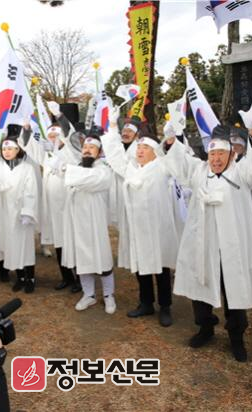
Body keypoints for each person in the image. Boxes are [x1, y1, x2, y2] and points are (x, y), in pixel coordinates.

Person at [162, 100, 252, 362]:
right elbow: (180, 162)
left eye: (221, 154)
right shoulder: (199, 172)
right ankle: (205, 327)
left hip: (232, 247)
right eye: (212, 155)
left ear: (232, 155)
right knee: (201, 287)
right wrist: (173, 137)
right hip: (204, 244)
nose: (216, 159)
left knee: (234, 291)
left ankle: (236, 336)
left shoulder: (242, 173)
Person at [101, 107, 179, 326]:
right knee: (141, 265)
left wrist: (172, 138)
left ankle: (165, 306)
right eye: (139, 147)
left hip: (157, 228)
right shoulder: (131, 169)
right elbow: (115, 155)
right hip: (137, 228)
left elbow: (178, 159)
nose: (140, 151)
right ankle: (146, 303)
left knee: (161, 267)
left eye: (146, 148)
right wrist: (113, 126)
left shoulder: (162, 167)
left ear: (155, 151)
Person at [49, 128, 116, 314]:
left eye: (92, 147)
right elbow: (67, 173)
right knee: (82, 259)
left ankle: (109, 295)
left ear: (99, 152)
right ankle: (89, 294)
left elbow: (90, 179)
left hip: (94, 223)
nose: (87, 150)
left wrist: (65, 169)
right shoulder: (77, 167)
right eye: (85, 147)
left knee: (102, 260)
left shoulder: (103, 170)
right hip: (76, 222)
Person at [19, 104, 82, 293]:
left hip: (69, 206)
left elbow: (70, 134)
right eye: (50, 136)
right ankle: (67, 277)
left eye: (56, 135)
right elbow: (29, 146)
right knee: (59, 244)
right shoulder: (47, 155)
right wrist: (26, 128)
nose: (53, 138)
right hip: (53, 208)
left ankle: (80, 279)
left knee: (72, 243)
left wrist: (60, 116)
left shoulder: (73, 151)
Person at [0, 135, 39, 293]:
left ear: (18, 150)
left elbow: (30, 191)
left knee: (25, 246)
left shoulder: (27, 168)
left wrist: (27, 211)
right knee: (11, 245)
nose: (6, 152)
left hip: (20, 213)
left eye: (10, 148)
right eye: (4, 149)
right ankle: (20, 277)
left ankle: (30, 278)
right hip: (4, 212)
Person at [109, 116, 142, 274]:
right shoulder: (121, 147)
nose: (126, 133)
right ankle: (130, 258)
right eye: (124, 130)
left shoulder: (138, 150)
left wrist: (112, 126)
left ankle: (138, 259)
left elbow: (121, 166)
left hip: (135, 195)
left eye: (130, 131)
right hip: (121, 193)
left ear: (136, 135)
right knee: (125, 229)